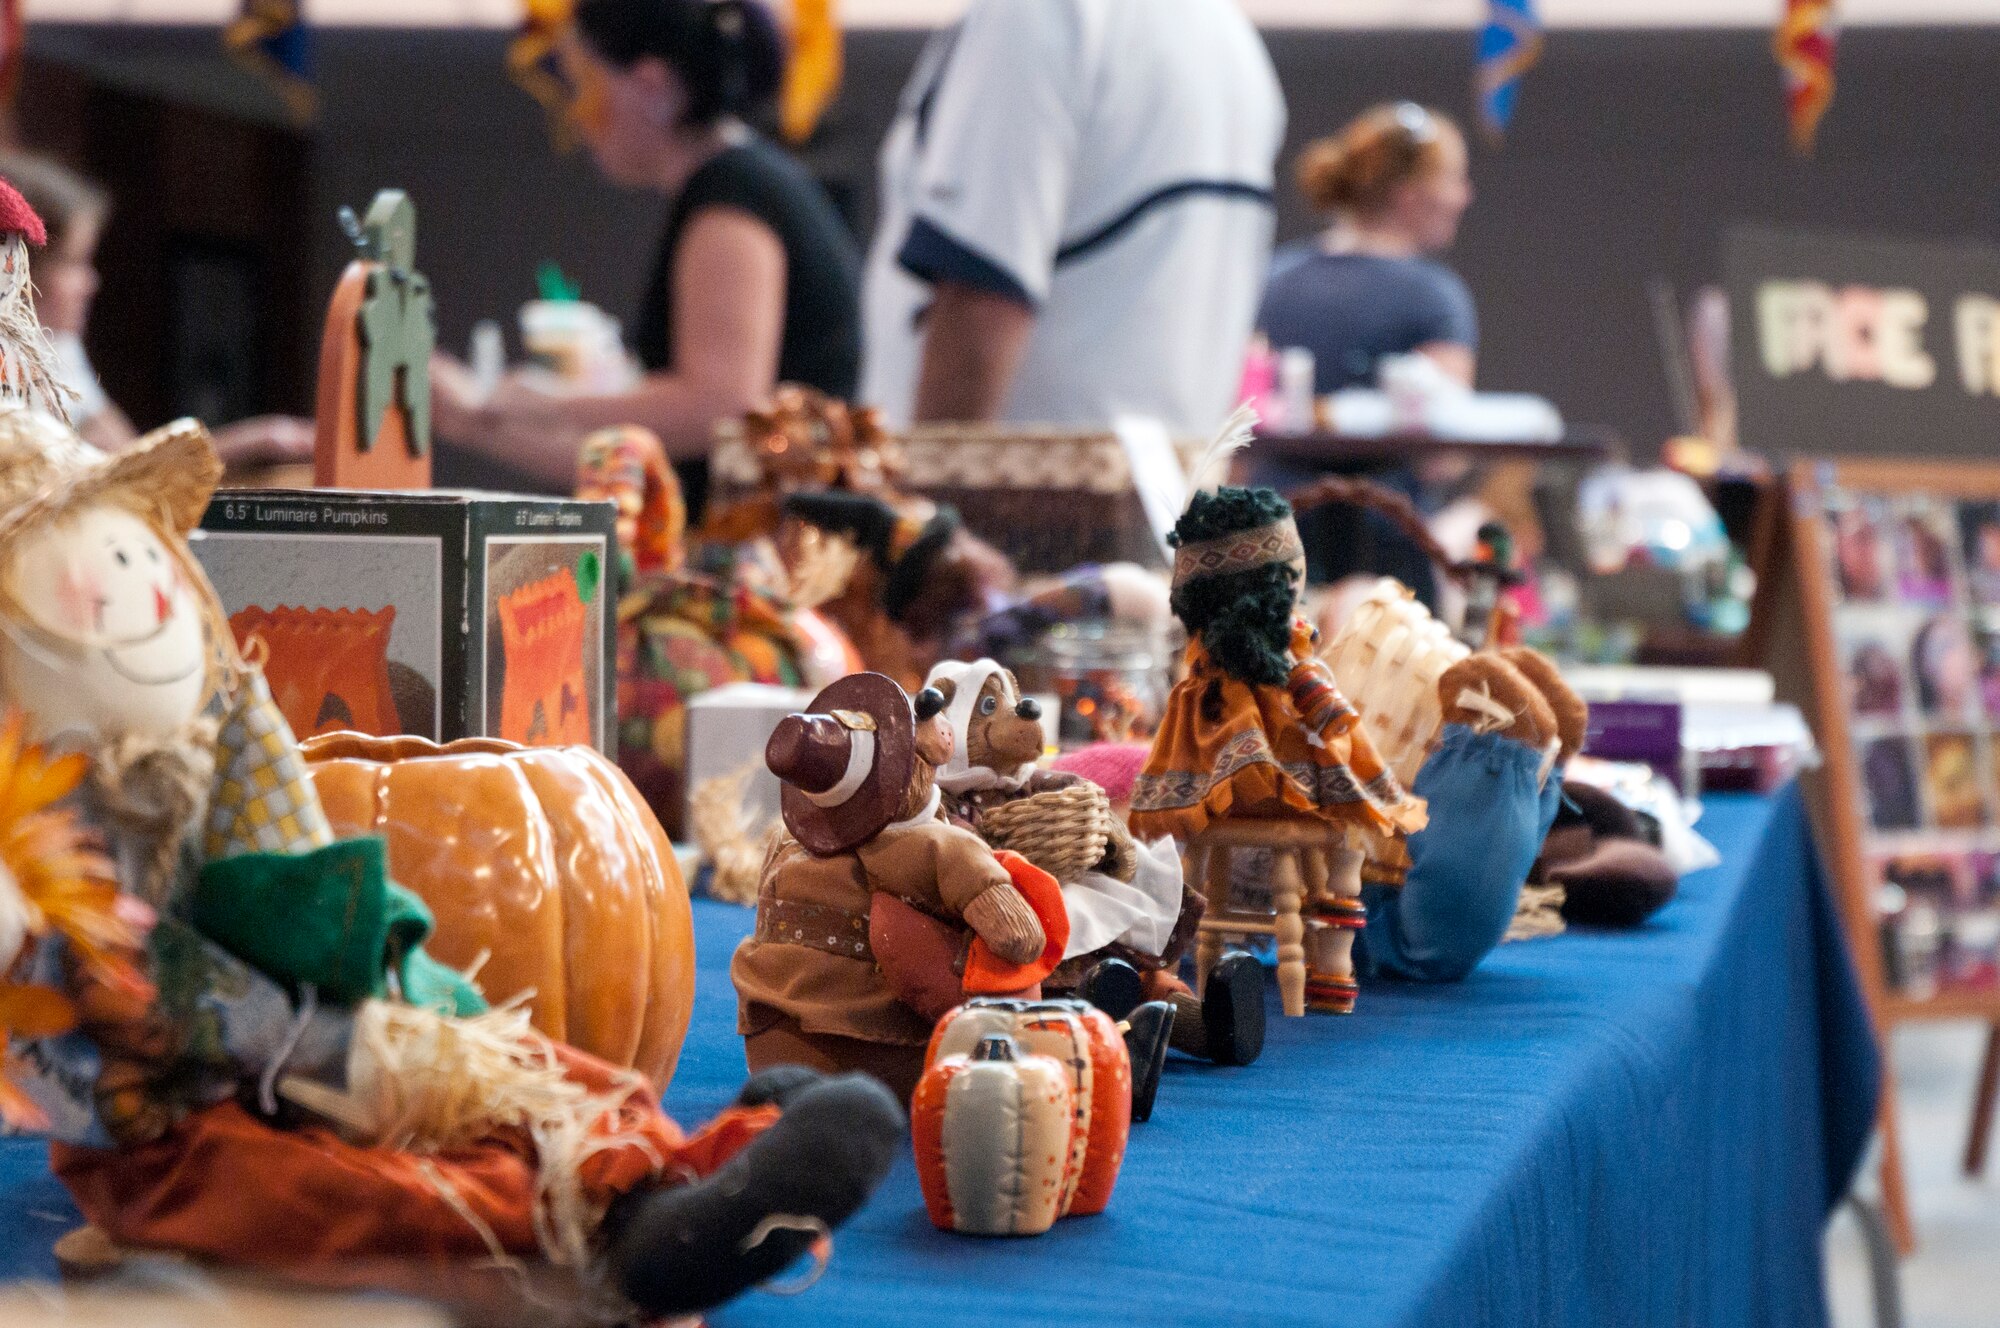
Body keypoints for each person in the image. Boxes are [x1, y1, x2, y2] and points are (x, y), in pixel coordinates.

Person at [432, 0, 861, 514]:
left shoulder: (733, 200)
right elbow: (643, 463)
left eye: (586, 83)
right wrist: (473, 421)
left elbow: (718, 407)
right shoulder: (731, 186)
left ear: (652, 86)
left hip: (774, 546)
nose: (577, 113)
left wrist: (530, 405)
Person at [858, 0, 1285, 436]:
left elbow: (981, 296)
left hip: (1030, 475)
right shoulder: (1233, 42)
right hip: (1177, 469)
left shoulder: (1038, 13)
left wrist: (932, 477)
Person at [1253, 103, 1481, 605]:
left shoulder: (1274, 280)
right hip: (1387, 548)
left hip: (1272, 538)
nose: (1465, 196)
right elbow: (1445, 457)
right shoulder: (1433, 296)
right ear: (1409, 196)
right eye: (1454, 180)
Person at [0, 151, 313, 465]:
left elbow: (131, 457)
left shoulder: (58, 346)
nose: (90, 283)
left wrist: (264, 438)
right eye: (73, 262)